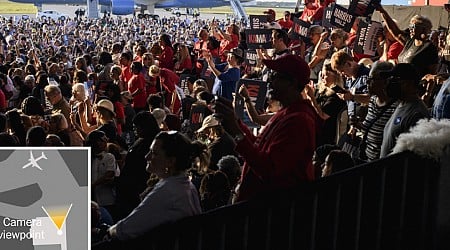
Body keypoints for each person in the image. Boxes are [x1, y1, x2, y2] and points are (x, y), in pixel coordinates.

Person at [214, 54, 320, 202]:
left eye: (276, 76)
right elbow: (260, 147)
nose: (271, 81)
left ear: (292, 83)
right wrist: (236, 123)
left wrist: (238, 133)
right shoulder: (286, 112)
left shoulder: (299, 121)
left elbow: (270, 168)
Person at [107, 131, 202, 240]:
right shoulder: (186, 185)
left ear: (171, 161)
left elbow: (126, 229)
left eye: (154, 153)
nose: (147, 157)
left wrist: (109, 231)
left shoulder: (167, 190)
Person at [115, 111, 160, 220]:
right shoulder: (141, 141)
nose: (135, 130)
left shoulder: (153, 143)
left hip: (138, 186)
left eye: (137, 127)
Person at [380, 63, 431, 157]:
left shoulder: (417, 114)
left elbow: (411, 158)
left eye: (395, 80)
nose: (390, 83)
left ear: (409, 83)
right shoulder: (402, 104)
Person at [376, 4, 438, 78]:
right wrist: (382, 12)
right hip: (399, 83)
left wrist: (426, 89)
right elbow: (395, 31)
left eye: (413, 26)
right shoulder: (409, 41)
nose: (410, 29)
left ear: (423, 29)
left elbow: (432, 75)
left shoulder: (430, 49)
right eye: (410, 26)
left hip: (412, 87)